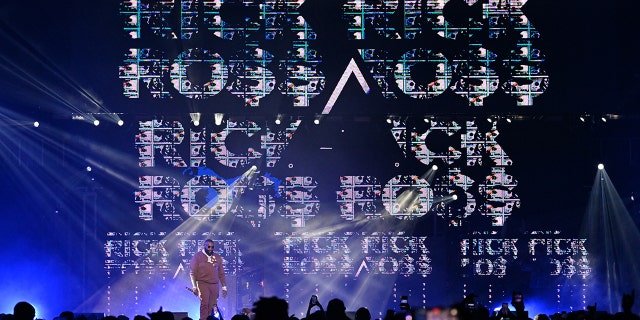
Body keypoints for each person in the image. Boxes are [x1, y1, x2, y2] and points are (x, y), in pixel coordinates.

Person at [190, 239, 228, 320]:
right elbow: (193, 273)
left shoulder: (217, 257)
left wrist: (224, 287)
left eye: (212, 247)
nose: (210, 249)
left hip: (215, 284)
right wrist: (194, 287)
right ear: (204, 246)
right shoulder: (197, 256)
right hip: (203, 283)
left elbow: (221, 273)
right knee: (204, 304)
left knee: (213, 306)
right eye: (209, 247)